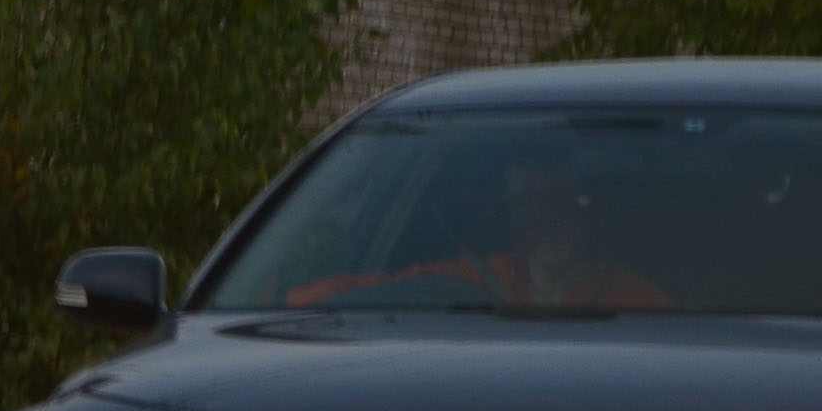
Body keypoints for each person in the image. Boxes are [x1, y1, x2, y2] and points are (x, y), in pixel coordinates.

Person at [286, 152, 669, 310]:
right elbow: (357, 293)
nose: (546, 218)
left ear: (588, 212)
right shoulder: (471, 281)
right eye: (528, 205)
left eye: (558, 201)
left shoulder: (635, 302)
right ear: (513, 219)